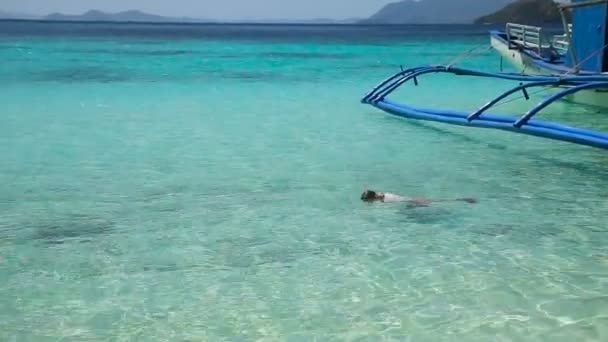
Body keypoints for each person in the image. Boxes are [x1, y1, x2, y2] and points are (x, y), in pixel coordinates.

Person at [360, 189, 477, 207]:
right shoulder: (380, 195)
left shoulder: (385, 199)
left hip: (413, 202)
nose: (368, 202)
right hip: (410, 201)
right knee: (437, 202)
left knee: (438, 202)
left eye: (368, 200)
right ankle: (465, 199)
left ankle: (465, 199)